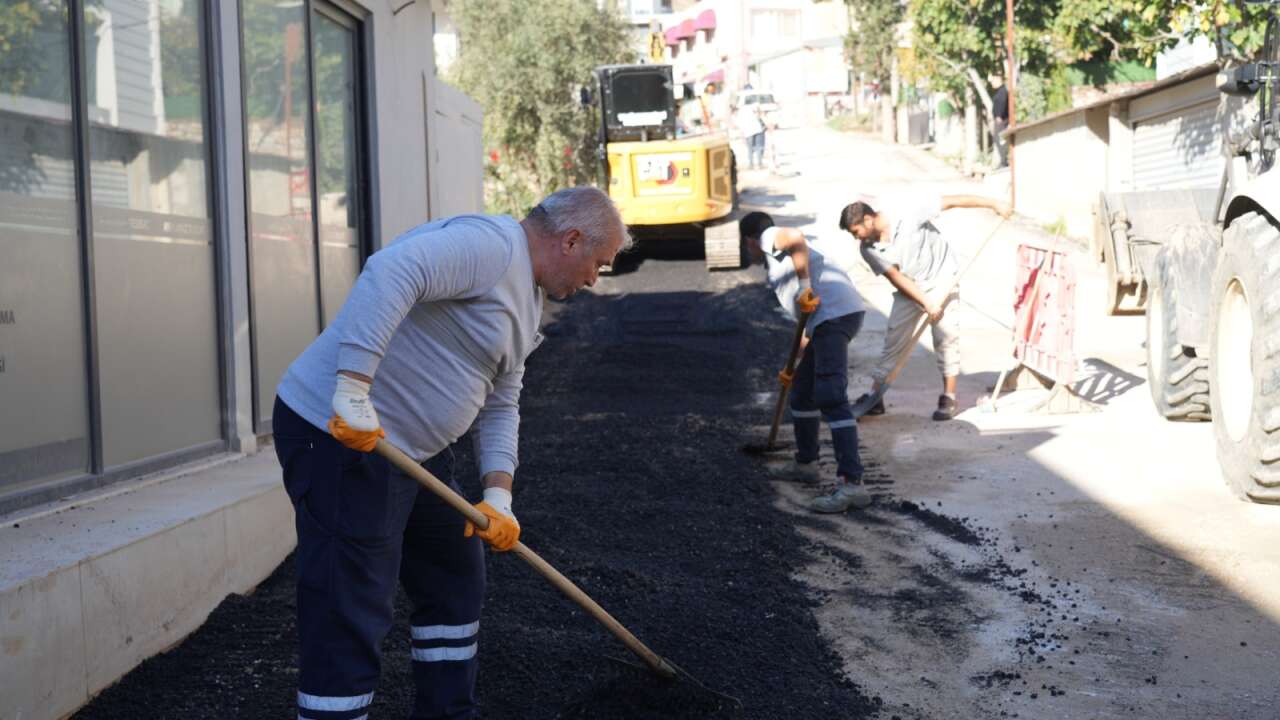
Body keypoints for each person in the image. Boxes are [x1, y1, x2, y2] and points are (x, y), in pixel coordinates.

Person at [273, 187, 629, 720]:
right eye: (598, 264)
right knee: (351, 603)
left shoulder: (527, 297)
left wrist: (498, 495)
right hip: (341, 438)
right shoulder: (492, 248)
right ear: (571, 239)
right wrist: (352, 388)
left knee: (453, 575)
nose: (594, 279)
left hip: (415, 453)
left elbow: (502, 401)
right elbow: (391, 271)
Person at [740, 211, 873, 514]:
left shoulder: (768, 236)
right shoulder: (778, 261)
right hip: (828, 320)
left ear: (750, 240)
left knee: (831, 396)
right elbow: (806, 319)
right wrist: (796, 362)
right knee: (801, 391)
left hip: (834, 316)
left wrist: (804, 284)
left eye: (747, 246)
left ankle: (852, 485)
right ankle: (806, 464)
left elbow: (795, 237)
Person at [838, 193, 1011, 421]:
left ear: (868, 220)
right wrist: (926, 302)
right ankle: (875, 396)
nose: (855, 237)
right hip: (910, 287)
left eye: (855, 231)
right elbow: (896, 277)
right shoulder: (867, 249)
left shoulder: (907, 212)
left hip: (942, 279)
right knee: (894, 341)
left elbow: (952, 201)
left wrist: (994, 203)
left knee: (945, 338)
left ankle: (949, 397)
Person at [736, 101, 766, 169]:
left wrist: (742, 136)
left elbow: (739, 126)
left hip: (748, 132)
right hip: (757, 129)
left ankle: (751, 164)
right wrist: (759, 114)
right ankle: (760, 164)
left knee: (750, 149)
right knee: (759, 147)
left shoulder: (739, 114)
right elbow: (758, 106)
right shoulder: (750, 107)